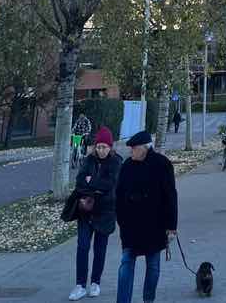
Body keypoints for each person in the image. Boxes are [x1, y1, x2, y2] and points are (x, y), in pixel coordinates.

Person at [114, 130, 177, 303]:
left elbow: (171, 196)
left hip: (154, 226)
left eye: (133, 148)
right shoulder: (127, 165)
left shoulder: (162, 164)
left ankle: (148, 299)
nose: (131, 151)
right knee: (126, 264)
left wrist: (172, 226)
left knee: (153, 266)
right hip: (131, 226)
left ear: (144, 148)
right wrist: (121, 219)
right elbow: (118, 194)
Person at [68, 127, 122, 300]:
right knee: (82, 247)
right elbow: (80, 182)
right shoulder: (88, 160)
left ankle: (95, 283)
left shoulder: (116, 162)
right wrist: (95, 186)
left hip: (105, 212)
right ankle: (80, 285)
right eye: (98, 146)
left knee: (100, 249)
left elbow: (110, 184)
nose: (100, 150)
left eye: (104, 147)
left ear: (110, 147)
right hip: (86, 211)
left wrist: (92, 183)